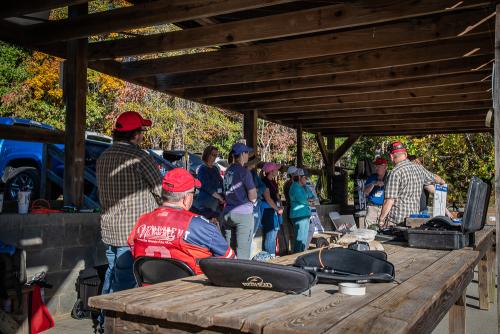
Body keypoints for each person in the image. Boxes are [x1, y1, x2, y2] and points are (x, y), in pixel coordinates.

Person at [96, 111, 163, 295]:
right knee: (125, 284)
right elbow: (161, 190)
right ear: (135, 134)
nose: (142, 135)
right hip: (133, 232)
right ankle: (110, 322)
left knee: (112, 274)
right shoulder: (140, 157)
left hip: (109, 230)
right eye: (142, 131)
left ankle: (102, 319)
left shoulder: (103, 157)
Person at [128, 168, 234, 275]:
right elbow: (229, 259)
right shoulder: (201, 226)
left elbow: (134, 253)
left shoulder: (141, 221)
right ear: (186, 198)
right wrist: (217, 232)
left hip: (150, 287)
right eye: (194, 192)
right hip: (192, 290)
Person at [379, 141, 446, 227]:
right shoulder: (419, 168)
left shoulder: (395, 172)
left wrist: (381, 219)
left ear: (391, 157)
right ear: (406, 154)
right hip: (414, 220)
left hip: (397, 221)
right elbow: (436, 178)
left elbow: (389, 200)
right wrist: (442, 182)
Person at [223, 143, 257, 259]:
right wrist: (254, 200)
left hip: (227, 213)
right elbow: (252, 195)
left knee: (229, 251)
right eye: (247, 153)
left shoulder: (228, 170)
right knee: (243, 251)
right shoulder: (244, 172)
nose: (248, 155)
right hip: (243, 215)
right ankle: (242, 276)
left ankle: (227, 275)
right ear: (242, 154)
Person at [289, 168, 315, 253]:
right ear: (299, 177)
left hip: (306, 215)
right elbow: (303, 200)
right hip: (298, 216)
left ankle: (301, 258)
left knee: (304, 240)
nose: (306, 179)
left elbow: (313, 197)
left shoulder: (305, 187)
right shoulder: (294, 187)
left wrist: (309, 200)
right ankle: (295, 259)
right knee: (299, 239)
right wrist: (308, 201)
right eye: (305, 177)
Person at [260, 162, 283, 256]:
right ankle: (269, 258)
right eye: (276, 169)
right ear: (271, 171)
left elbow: (277, 197)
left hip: (274, 210)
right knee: (270, 235)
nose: (277, 171)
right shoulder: (264, 182)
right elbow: (268, 198)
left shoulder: (273, 182)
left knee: (273, 234)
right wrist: (277, 209)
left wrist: (280, 205)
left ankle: (271, 256)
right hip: (268, 211)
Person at [193, 145, 224, 215]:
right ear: (207, 154)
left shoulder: (215, 168)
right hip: (205, 202)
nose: (214, 157)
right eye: (213, 155)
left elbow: (221, 182)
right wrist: (219, 197)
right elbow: (207, 187)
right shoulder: (202, 169)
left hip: (215, 202)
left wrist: (223, 196)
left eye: (216, 155)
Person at [363, 158, 388, 227]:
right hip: (372, 208)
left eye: (379, 166)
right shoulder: (372, 177)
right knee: (369, 229)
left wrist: (385, 183)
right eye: (376, 166)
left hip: (385, 208)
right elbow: (365, 192)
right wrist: (373, 184)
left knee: (384, 231)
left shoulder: (390, 177)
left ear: (385, 167)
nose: (377, 168)